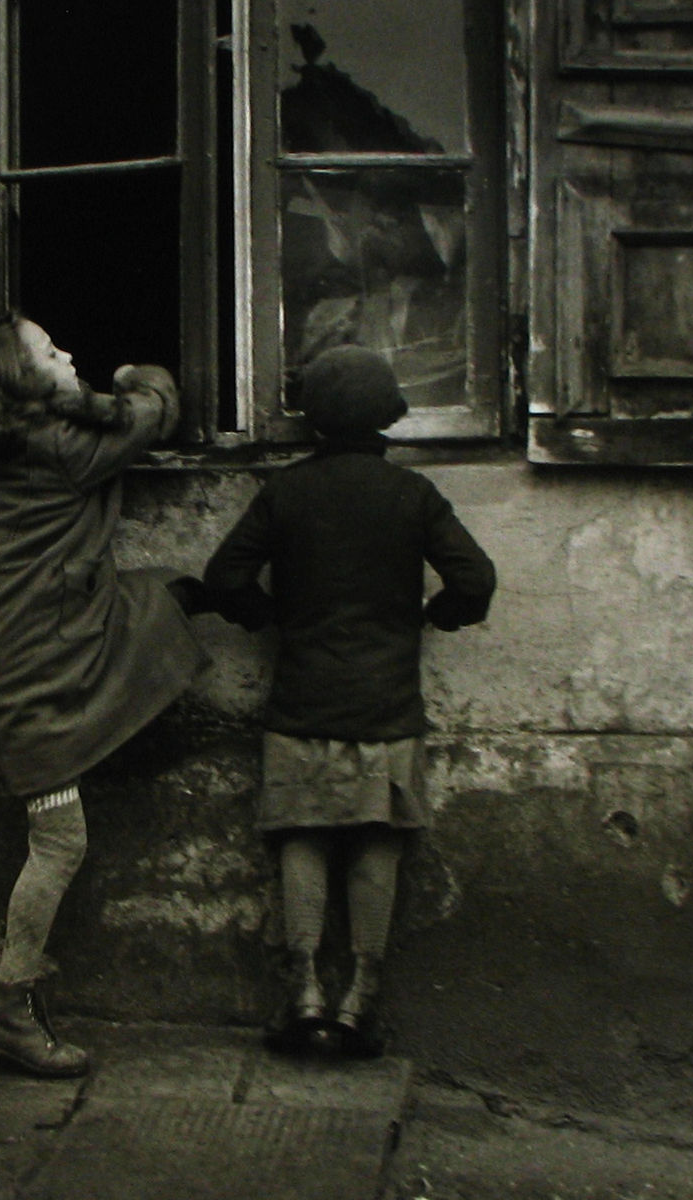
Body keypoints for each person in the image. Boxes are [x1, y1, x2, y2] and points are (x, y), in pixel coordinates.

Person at [202, 344, 496, 1057]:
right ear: (387, 416)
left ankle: (303, 997)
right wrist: (436, 618)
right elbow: (475, 580)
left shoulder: (287, 493)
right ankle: (359, 1003)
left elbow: (223, 577)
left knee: (301, 838)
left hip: (302, 699)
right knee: (375, 843)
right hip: (386, 704)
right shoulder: (412, 497)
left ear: (315, 421)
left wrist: (270, 619)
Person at [0, 315, 213, 1078]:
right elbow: (154, 412)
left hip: (32, 635)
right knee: (61, 842)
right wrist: (139, 374)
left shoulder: (23, 438)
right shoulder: (61, 445)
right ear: (22, 382)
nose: (68, 353)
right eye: (49, 351)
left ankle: (10, 1007)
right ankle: (8, 1007)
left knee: (162, 595)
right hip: (30, 659)